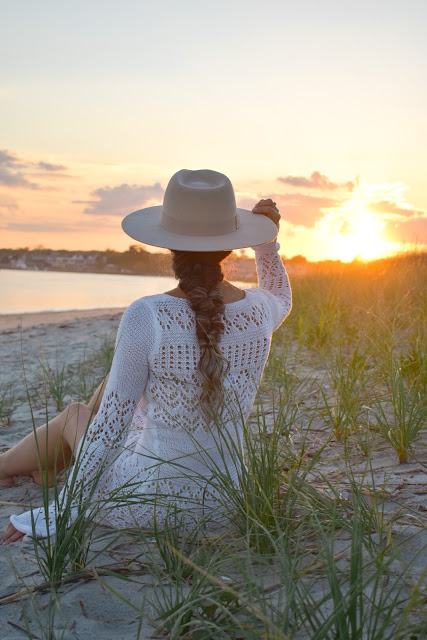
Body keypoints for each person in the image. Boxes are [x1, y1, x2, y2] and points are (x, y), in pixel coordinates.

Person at [1, 168, 292, 544]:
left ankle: (9, 466)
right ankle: (49, 464)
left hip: (148, 503)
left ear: (168, 244)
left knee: (78, 412)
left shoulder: (148, 314)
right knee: (116, 386)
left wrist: (63, 508)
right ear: (229, 244)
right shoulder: (260, 310)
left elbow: (110, 428)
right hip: (225, 500)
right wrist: (266, 245)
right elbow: (281, 296)